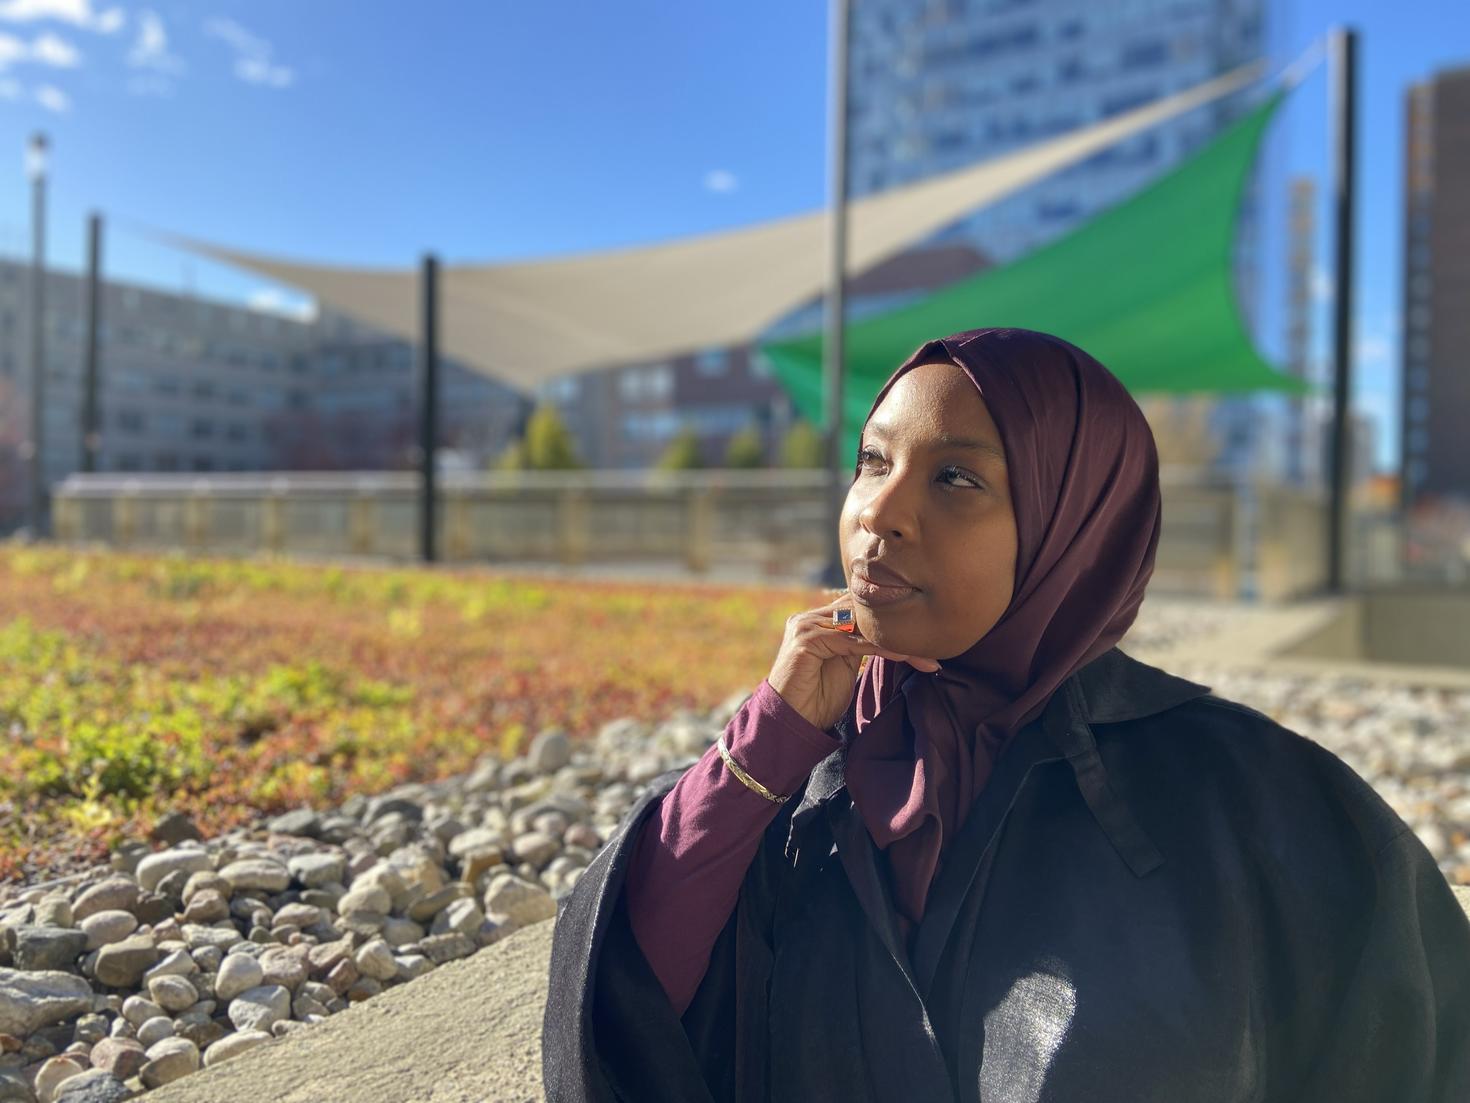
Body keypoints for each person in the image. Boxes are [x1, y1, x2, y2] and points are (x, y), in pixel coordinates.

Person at [541, 327, 1470, 1102]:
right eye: (873, 461)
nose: (882, 513)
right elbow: (632, 1009)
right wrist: (765, 742)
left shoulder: (1259, 804)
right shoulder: (808, 776)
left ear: (1077, 529)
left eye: (957, 479)